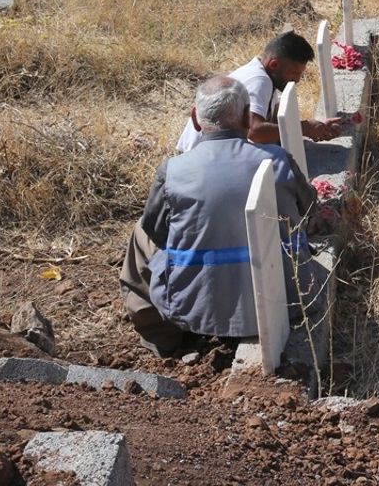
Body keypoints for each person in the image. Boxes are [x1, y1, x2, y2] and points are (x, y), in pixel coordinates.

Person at [120, 76, 320, 356]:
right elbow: (309, 209)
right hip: (289, 301)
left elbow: (158, 233)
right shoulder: (277, 160)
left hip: (193, 312)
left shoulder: (173, 170)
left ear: (195, 118)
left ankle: (163, 338)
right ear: (246, 117)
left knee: (142, 235)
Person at [175, 31, 341, 153]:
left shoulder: (268, 78)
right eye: (294, 73)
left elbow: (275, 123)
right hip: (199, 154)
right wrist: (304, 128)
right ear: (274, 65)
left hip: (213, 151)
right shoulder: (258, 81)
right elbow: (255, 131)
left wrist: (314, 126)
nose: (297, 80)